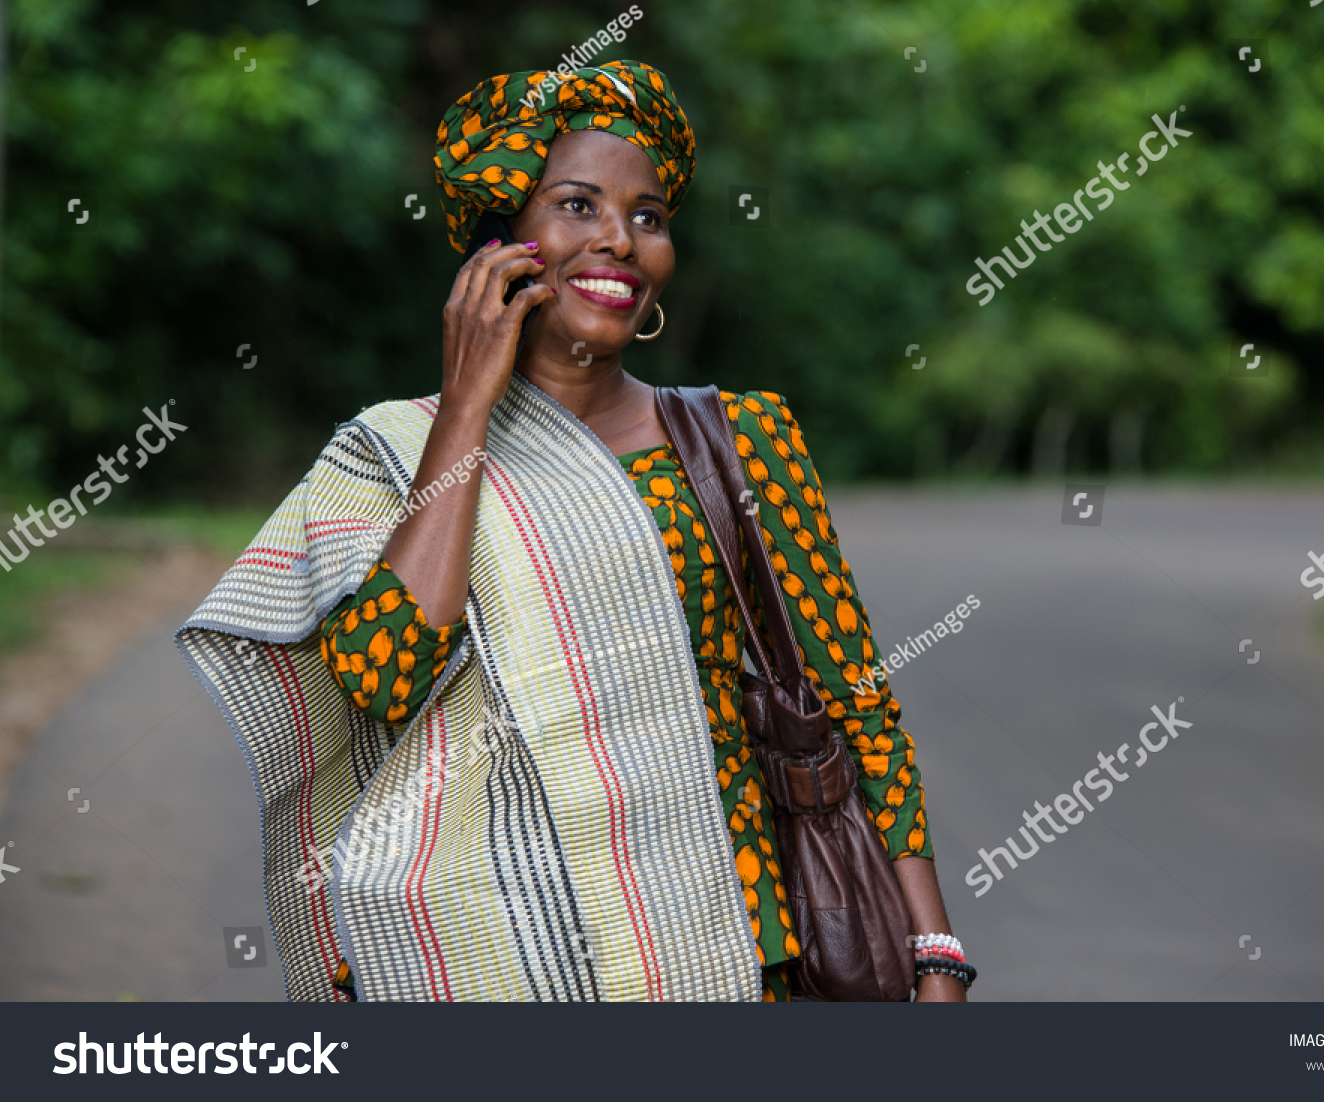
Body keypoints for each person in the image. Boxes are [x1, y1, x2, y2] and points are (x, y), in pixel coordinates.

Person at [178, 60, 969, 1003]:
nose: (619, 241)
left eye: (647, 216)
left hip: (729, 934)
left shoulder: (739, 439)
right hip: (491, 949)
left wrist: (934, 954)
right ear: (500, 245)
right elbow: (383, 675)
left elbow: (855, 704)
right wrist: (468, 403)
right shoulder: (391, 453)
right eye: (577, 205)